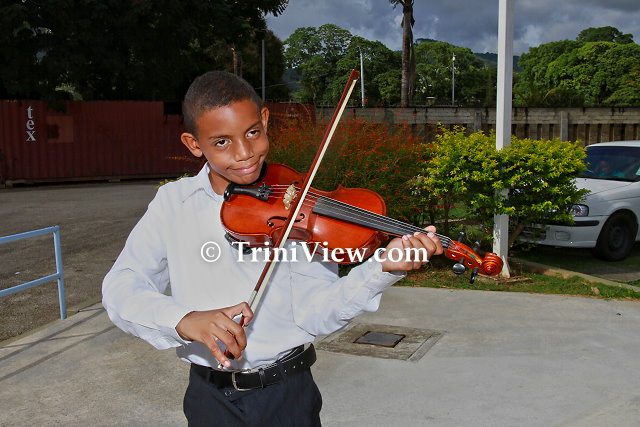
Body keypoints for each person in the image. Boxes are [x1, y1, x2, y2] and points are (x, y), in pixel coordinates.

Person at [102, 71, 443, 426]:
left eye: (252, 133)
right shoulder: (173, 203)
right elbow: (120, 287)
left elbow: (317, 314)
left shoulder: (297, 204)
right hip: (208, 398)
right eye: (222, 142)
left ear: (265, 120)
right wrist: (185, 320)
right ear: (193, 144)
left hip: (287, 394)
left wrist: (381, 269)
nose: (244, 153)